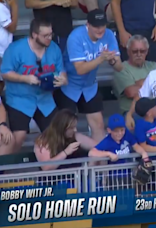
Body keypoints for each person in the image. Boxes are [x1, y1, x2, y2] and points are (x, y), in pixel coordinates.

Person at [54, 9, 122, 143]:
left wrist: (112, 60)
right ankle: (71, 160)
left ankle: (100, 161)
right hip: (69, 85)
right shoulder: (76, 36)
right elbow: (80, 69)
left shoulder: (108, 35)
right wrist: (101, 59)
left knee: (99, 125)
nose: (100, 29)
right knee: (67, 129)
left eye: (103, 25)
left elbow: (119, 67)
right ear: (88, 24)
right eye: (96, 26)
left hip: (89, 86)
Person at [1, 19, 67, 153]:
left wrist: (63, 80)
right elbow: (5, 73)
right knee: (19, 136)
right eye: (45, 35)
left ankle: (52, 168)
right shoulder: (15, 49)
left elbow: (62, 72)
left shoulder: (54, 48)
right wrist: (25, 78)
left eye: (50, 34)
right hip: (19, 99)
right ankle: (8, 170)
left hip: (45, 99)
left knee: (57, 134)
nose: (49, 38)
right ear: (34, 35)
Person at [112, 35, 156, 115]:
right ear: (128, 52)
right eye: (135, 51)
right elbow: (131, 92)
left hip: (155, 111)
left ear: (147, 51)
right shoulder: (121, 68)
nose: (139, 54)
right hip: (133, 113)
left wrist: (139, 83)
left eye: (142, 51)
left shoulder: (155, 66)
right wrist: (153, 81)